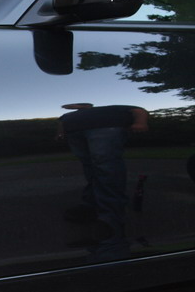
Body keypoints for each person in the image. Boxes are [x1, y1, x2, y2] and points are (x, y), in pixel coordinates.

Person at [58, 103, 149, 259]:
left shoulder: (113, 108)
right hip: (76, 133)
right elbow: (61, 121)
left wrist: (140, 122)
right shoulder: (70, 116)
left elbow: (139, 110)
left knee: (105, 167)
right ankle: (91, 205)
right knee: (90, 168)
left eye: (81, 105)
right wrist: (61, 132)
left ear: (89, 106)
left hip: (105, 129)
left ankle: (111, 223)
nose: (76, 106)